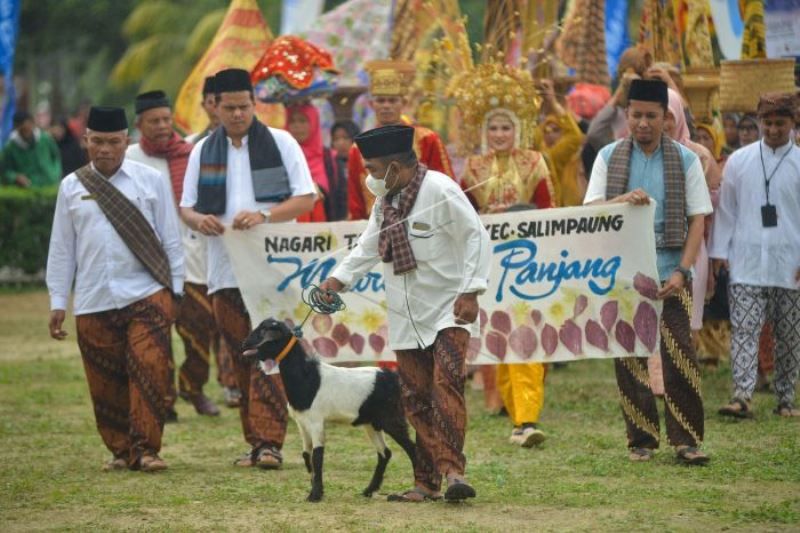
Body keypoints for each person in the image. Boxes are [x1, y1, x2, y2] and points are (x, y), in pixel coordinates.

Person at [319, 124, 490, 502]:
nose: (370, 177)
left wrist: (471, 290)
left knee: (446, 387)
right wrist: (336, 281)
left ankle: (454, 474)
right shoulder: (386, 202)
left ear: (396, 166)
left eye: (374, 169)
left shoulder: (442, 190)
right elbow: (366, 247)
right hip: (404, 313)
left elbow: (476, 236)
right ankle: (425, 483)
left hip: (449, 309)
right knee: (414, 398)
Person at [180, 68, 316, 469]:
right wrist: (198, 220)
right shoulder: (203, 150)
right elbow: (187, 207)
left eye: (244, 106)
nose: (238, 114)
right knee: (243, 358)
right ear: (215, 107)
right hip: (223, 271)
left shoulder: (281, 141)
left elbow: (306, 198)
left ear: (255, 104)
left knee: (271, 356)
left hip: (274, 271)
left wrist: (264, 215)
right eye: (230, 107)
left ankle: (270, 442)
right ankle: (257, 442)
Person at [46, 106, 184, 472]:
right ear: (86, 141)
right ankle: (122, 450)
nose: (105, 149)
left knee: (150, 369)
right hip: (93, 298)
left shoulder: (149, 180)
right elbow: (62, 249)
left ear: (127, 141)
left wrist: (178, 291)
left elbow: (171, 240)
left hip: (147, 292)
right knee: (104, 380)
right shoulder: (71, 186)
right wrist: (59, 300)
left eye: (113, 142)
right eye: (97, 141)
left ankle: (147, 449)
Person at [584, 79, 713, 465]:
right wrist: (622, 200)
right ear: (627, 116)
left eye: (651, 116)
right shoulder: (608, 156)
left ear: (666, 118)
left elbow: (698, 221)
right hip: (624, 274)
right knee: (629, 356)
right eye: (636, 115)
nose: (643, 123)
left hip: (672, 272)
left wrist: (683, 272)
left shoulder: (686, 159)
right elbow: (590, 210)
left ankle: (686, 441)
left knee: (680, 356)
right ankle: (641, 438)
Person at [457, 64, 554, 447]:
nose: (499, 135)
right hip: (488, 266)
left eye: (506, 127)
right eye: (493, 128)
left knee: (527, 333)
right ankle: (508, 409)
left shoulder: (534, 162)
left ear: (519, 129)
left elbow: (550, 213)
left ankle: (526, 418)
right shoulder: (473, 168)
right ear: (484, 131)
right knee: (498, 335)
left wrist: (514, 215)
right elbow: (462, 216)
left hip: (528, 264)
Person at [126, 90, 223, 419]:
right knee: (154, 337)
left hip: (193, 261)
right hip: (148, 265)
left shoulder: (191, 153)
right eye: (154, 121)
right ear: (140, 124)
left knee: (200, 330)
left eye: (167, 119)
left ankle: (193, 388)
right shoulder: (128, 159)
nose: (163, 126)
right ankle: (162, 397)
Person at [711, 92, 800, 419]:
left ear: (793, 123)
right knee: (744, 329)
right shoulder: (740, 161)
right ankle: (742, 396)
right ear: (759, 122)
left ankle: (786, 398)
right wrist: (719, 252)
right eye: (768, 122)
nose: (773, 129)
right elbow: (727, 211)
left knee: (789, 336)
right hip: (745, 260)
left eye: (780, 123)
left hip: (790, 265)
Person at [347, 60, 453, 220]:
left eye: (392, 100)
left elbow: (446, 186)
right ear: (371, 104)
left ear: (404, 103)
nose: (386, 106)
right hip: (376, 226)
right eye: (381, 100)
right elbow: (355, 201)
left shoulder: (427, 139)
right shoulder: (358, 148)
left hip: (423, 223)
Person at [534, 79, 585, 207]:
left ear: (564, 132)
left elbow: (575, 136)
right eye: (546, 130)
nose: (550, 133)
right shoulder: (540, 155)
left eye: (556, 130)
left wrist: (553, 102)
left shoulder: (558, 154)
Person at [285, 103, 330, 222]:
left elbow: (339, 200)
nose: (297, 126)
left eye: (303, 121)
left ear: (314, 123)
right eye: (292, 121)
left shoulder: (328, 157)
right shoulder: (281, 155)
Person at [2, 110, 61, 187]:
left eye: (28, 127)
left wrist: (55, 174)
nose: (26, 132)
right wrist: (15, 177)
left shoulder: (45, 139)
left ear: (32, 123)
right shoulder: (10, 147)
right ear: (16, 128)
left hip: (49, 186)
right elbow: (4, 171)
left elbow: (56, 157)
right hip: (27, 189)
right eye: (22, 129)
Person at [328, 120, 359, 221]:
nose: (341, 143)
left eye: (345, 138)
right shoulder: (329, 165)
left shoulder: (364, 163)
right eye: (336, 139)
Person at [185, 76, 220, 144]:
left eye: (218, 102)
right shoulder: (194, 142)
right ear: (203, 105)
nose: (215, 107)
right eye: (210, 102)